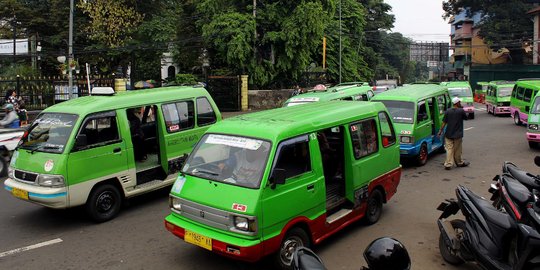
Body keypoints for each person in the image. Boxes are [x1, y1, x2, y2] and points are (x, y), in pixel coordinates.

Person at [437, 97, 469, 170]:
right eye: (459, 102)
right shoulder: (461, 111)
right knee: (457, 150)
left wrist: (440, 131)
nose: (460, 103)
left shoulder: (448, 111)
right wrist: (462, 109)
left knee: (449, 149)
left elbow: (444, 122)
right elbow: (466, 118)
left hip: (448, 134)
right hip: (458, 134)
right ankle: (459, 163)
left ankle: (448, 164)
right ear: (457, 103)